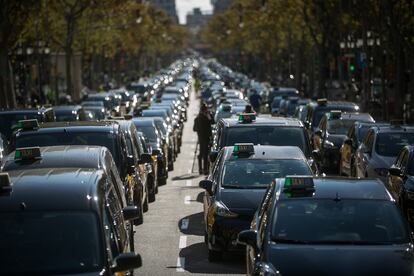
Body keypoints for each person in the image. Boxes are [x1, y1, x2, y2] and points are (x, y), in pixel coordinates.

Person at [193, 103, 214, 175]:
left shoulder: (197, 118)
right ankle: (205, 169)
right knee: (205, 154)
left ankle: (201, 169)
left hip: (201, 138)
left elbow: (194, 129)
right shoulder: (205, 118)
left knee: (202, 154)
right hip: (205, 138)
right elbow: (212, 122)